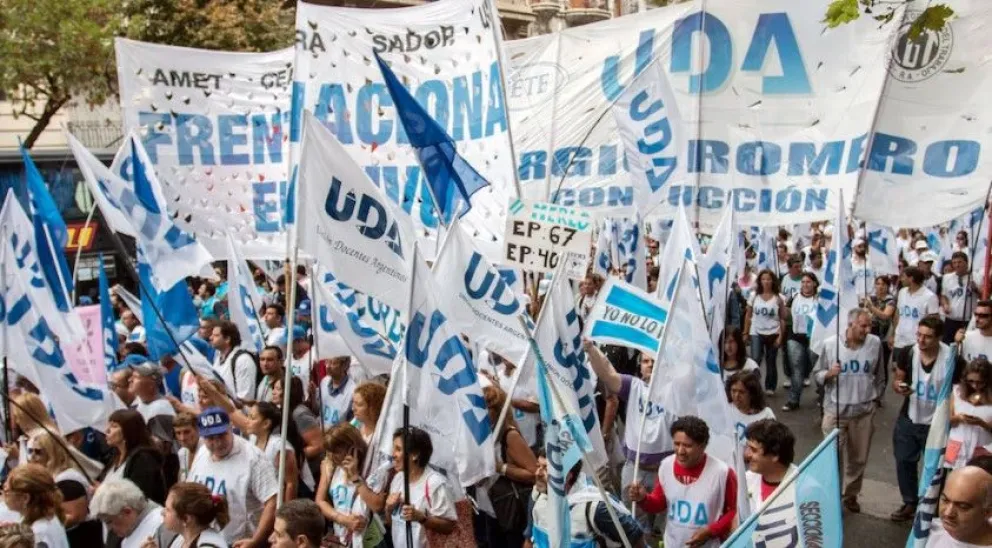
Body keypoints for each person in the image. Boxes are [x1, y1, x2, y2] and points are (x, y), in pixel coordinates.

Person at [584, 340, 675, 536]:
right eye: (645, 361)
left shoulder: (675, 392)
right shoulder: (633, 386)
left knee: (666, 523)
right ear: (639, 367)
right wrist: (591, 349)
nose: (650, 364)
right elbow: (607, 373)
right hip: (635, 470)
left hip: (665, 470)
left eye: (654, 360)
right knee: (635, 525)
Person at [812, 308, 884, 513]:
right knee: (832, 457)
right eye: (863, 325)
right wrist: (828, 374)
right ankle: (832, 495)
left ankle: (850, 495)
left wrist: (876, 400)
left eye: (869, 325)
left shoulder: (875, 343)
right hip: (836, 411)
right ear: (850, 324)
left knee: (858, 458)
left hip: (863, 411)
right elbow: (817, 374)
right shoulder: (830, 345)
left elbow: (879, 375)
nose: (867, 330)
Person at [626, 416, 737, 547]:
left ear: (703, 446)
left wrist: (711, 531)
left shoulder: (722, 472)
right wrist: (643, 499)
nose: (680, 451)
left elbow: (734, 512)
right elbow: (659, 504)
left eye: (687, 446)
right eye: (677, 444)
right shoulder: (666, 465)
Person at [892, 315, 955, 521]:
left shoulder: (951, 357)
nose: (921, 340)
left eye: (927, 337)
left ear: (939, 338)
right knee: (904, 461)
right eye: (919, 334)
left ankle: (929, 506)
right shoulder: (908, 352)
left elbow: (959, 389)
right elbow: (898, 378)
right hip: (910, 417)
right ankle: (910, 502)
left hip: (937, 424)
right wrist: (900, 387)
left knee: (935, 468)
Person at [187, 407, 278, 546]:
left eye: (222, 435)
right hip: (207, 541)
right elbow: (189, 492)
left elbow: (272, 501)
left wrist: (256, 540)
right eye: (210, 438)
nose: (217, 443)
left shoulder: (253, 458)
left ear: (231, 428)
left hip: (240, 542)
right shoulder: (202, 453)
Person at [482, 385, 538, 548]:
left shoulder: (509, 435)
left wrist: (501, 467)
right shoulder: (488, 435)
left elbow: (534, 473)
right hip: (492, 509)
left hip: (511, 510)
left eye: (486, 410)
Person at [316, 423, 388, 547]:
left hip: (368, 540)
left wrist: (355, 477)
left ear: (353, 448)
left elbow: (377, 505)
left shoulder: (372, 468)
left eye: (337, 452)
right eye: (330, 452)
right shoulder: (331, 467)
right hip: (342, 539)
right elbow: (320, 501)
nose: (332, 456)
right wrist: (343, 520)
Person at [385, 426, 457, 548]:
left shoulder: (436, 483)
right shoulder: (398, 479)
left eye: (398, 449)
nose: (393, 455)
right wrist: (388, 508)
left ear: (415, 455)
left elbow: (449, 527)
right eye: (394, 448)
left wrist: (422, 518)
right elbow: (392, 523)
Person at [27, 431, 102, 545]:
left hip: (80, 540)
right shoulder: (50, 476)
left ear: (52, 453)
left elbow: (75, 516)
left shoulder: (67, 480)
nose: (32, 457)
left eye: (38, 452)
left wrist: (43, 524)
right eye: (30, 451)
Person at [102, 409, 168, 505]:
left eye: (114, 426)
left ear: (128, 430)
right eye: (109, 425)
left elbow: (138, 495)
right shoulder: (114, 457)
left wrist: (103, 492)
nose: (107, 430)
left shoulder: (143, 459)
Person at [91, 479, 172, 548]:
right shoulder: (127, 538)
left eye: (109, 521)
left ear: (127, 511)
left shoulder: (163, 524)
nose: (109, 529)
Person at [246, 402, 302, 501]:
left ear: (266, 424)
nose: (247, 421)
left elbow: (291, 484)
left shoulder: (279, 447)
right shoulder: (252, 439)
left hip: (274, 503)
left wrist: (285, 513)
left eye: (252, 418)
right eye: (248, 416)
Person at [4, 464, 69, 548]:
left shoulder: (38, 534)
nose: (4, 496)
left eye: (7, 492)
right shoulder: (50, 517)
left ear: (25, 498)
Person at [927, 465, 992, 546]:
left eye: (962, 507)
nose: (948, 513)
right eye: (945, 500)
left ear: (988, 512)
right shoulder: (927, 530)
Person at [745, 269, 786, 395]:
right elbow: (748, 315)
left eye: (768, 279)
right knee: (756, 358)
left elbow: (782, 318)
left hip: (773, 332)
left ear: (772, 281)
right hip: (756, 331)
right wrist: (745, 332)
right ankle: (753, 385)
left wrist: (780, 337)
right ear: (760, 281)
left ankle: (770, 386)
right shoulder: (754, 296)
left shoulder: (779, 298)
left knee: (771, 360)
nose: (766, 282)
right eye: (763, 279)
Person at [742, 419, 797, 513]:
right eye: (747, 447)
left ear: (775, 455)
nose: (746, 454)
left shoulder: (804, 489)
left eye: (753, 450)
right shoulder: (746, 480)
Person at [946, 359, 992, 470]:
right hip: (957, 446)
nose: (975, 385)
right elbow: (947, 420)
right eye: (971, 381)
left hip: (982, 447)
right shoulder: (957, 391)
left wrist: (981, 423)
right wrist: (959, 418)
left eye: (980, 382)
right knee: (954, 481)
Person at [783, 271, 819, 410]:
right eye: (803, 282)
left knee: (816, 369)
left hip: (814, 338)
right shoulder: (795, 297)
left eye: (808, 282)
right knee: (796, 368)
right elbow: (786, 314)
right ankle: (793, 400)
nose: (805, 284)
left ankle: (823, 396)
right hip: (795, 336)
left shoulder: (819, 298)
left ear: (814, 284)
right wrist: (781, 306)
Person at [893, 266, 940, 368]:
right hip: (899, 341)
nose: (901, 279)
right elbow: (898, 314)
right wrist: (893, 334)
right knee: (897, 370)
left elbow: (934, 322)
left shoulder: (929, 296)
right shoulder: (902, 292)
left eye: (904, 277)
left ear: (911, 278)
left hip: (916, 342)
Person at [159, 482, 230, 548]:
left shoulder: (209, 545)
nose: (162, 512)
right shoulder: (180, 539)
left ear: (186, 519)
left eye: (168, 509)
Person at [210, 321, 259, 402]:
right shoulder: (218, 358)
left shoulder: (243, 360)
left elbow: (245, 397)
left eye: (216, 335)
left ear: (227, 339)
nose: (211, 338)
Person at [863, 275, 897, 385]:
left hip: (884, 336)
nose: (880, 287)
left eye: (883, 284)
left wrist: (871, 308)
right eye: (878, 284)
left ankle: (880, 393)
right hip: (869, 334)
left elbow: (885, 316)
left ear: (888, 286)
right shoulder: (871, 298)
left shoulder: (890, 301)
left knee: (882, 364)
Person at [726, 371, 776, 443]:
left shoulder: (766, 414)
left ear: (752, 394)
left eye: (742, 392)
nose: (736, 396)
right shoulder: (726, 409)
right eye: (733, 391)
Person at [941, 252, 978, 344]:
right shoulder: (946, 278)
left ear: (966, 263)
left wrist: (976, 289)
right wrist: (945, 304)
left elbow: (983, 296)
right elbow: (943, 296)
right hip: (951, 319)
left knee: (965, 345)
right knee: (948, 344)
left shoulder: (975, 277)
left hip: (967, 320)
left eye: (960, 262)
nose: (957, 265)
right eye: (954, 263)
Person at [127, 357, 176, 424]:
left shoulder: (161, 408)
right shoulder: (138, 402)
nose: (130, 380)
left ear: (151, 385)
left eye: (136, 377)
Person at [318, 356, 355, 429]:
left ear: (344, 366)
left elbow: (352, 424)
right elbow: (319, 409)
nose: (327, 366)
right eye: (327, 362)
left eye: (333, 363)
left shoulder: (352, 390)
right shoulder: (324, 382)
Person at [174, 412, 203, 483]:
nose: (182, 438)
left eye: (187, 432)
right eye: (178, 433)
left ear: (197, 429)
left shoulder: (206, 450)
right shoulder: (182, 452)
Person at [288, 327, 314, 394]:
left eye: (288, 343)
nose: (286, 346)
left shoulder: (314, 356)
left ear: (299, 341)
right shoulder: (288, 358)